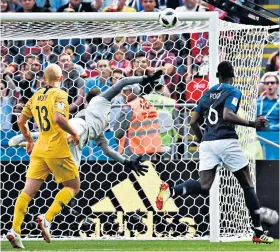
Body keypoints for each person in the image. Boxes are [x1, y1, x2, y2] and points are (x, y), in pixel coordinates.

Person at [155, 61, 274, 244]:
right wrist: (252, 124)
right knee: (247, 184)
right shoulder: (233, 91)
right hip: (226, 140)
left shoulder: (207, 94)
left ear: (217, 76)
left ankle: (170, 190)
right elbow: (227, 115)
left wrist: (202, 140)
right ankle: (258, 232)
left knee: (204, 186)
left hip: (208, 142)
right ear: (232, 76)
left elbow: (193, 122)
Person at [9, 72, 163, 174]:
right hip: (79, 126)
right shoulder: (99, 100)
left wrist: (127, 162)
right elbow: (122, 82)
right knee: (61, 135)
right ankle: (25, 138)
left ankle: (68, 211)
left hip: (79, 142)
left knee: (73, 177)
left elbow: (108, 150)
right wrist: (145, 79)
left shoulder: (101, 125)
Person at [6, 64, 80, 249]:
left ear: (44, 79)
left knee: (27, 192)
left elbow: (21, 121)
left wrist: (29, 140)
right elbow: (58, 119)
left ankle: (15, 230)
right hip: (57, 148)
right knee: (72, 186)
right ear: (61, 78)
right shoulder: (60, 94)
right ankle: (47, 218)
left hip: (39, 149)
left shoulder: (36, 95)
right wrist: (75, 133)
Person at [114, 84, 162, 160]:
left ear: (132, 92)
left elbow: (118, 132)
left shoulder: (129, 107)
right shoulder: (148, 104)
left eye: (124, 91)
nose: (122, 94)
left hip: (134, 149)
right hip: (151, 146)